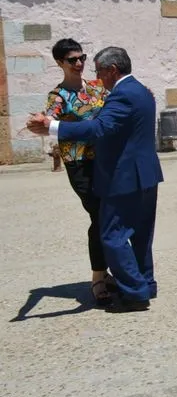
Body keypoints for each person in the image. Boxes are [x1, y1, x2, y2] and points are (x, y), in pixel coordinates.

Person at [28, 47, 164, 313]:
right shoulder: (140, 90)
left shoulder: (122, 95)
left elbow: (99, 128)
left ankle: (135, 293)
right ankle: (145, 283)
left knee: (112, 235)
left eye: (99, 70)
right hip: (146, 174)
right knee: (141, 235)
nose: (97, 76)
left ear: (112, 70)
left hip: (123, 176)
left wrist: (51, 127)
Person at [43, 38, 111, 305]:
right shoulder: (58, 96)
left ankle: (106, 271)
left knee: (109, 214)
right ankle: (98, 276)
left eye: (82, 58)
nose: (79, 63)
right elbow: (48, 122)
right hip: (79, 163)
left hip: (105, 160)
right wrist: (41, 124)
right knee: (98, 213)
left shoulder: (97, 87)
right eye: (72, 60)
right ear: (60, 63)